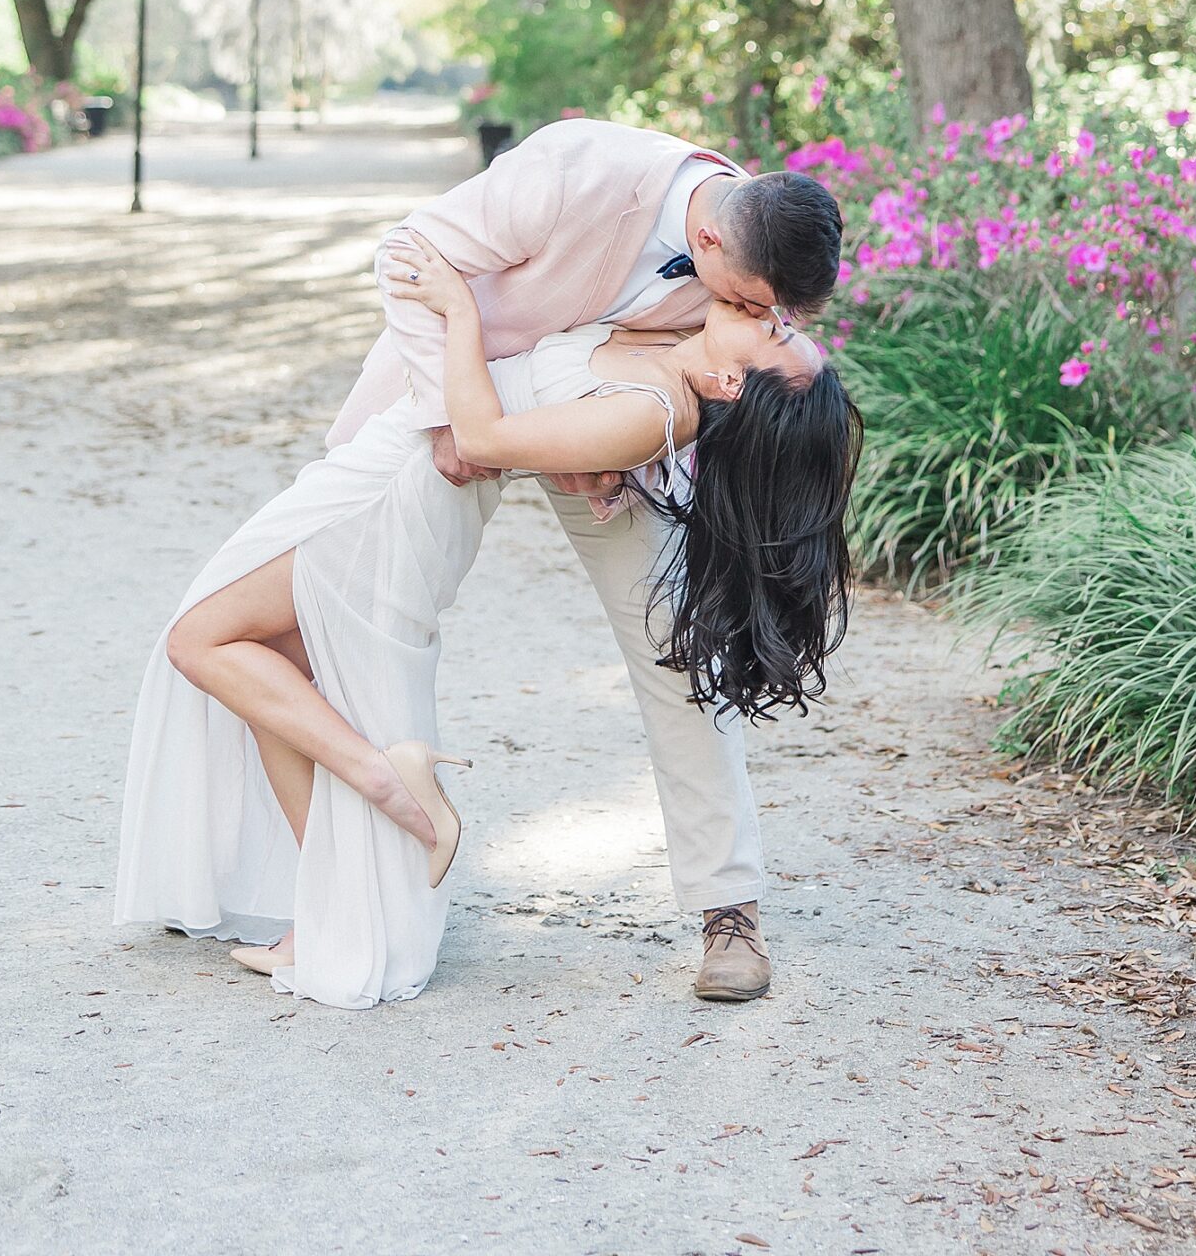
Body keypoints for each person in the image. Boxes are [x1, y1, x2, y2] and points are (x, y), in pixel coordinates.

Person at [113, 244, 860, 1011]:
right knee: (270, 665)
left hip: (409, 488)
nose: (768, 314)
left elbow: (482, 437)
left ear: (735, 379)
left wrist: (464, 321)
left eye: (777, 330)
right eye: (777, 318)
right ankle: (334, 898)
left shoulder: (664, 395)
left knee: (204, 639)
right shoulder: (666, 315)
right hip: (402, 464)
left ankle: (396, 790)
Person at [329, 117, 845, 1001]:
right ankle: (327, 882)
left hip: (607, 426)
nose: (766, 320)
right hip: (449, 390)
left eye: (775, 313)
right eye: (758, 304)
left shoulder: (758, 245)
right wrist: (444, 418)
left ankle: (730, 910)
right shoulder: (578, 171)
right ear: (709, 236)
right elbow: (410, 253)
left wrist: (617, 447)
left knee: (674, 644)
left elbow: (738, 379)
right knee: (331, 599)